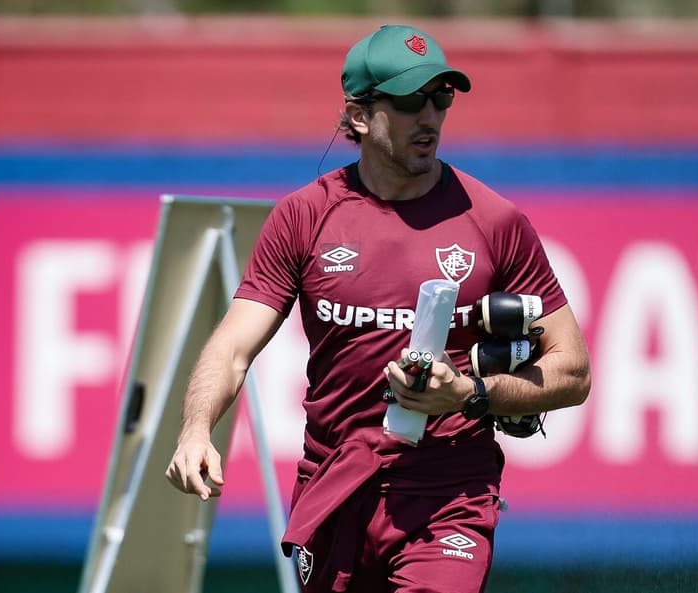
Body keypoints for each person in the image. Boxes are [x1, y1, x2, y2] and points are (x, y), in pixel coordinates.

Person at [165, 23, 591, 593]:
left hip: (448, 497)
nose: (431, 116)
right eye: (412, 100)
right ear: (359, 116)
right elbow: (233, 346)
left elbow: (574, 369)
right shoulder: (303, 216)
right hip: (335, 487)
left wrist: (468, 394)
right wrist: (195, 430)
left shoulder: (495, 221)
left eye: (442, 98)